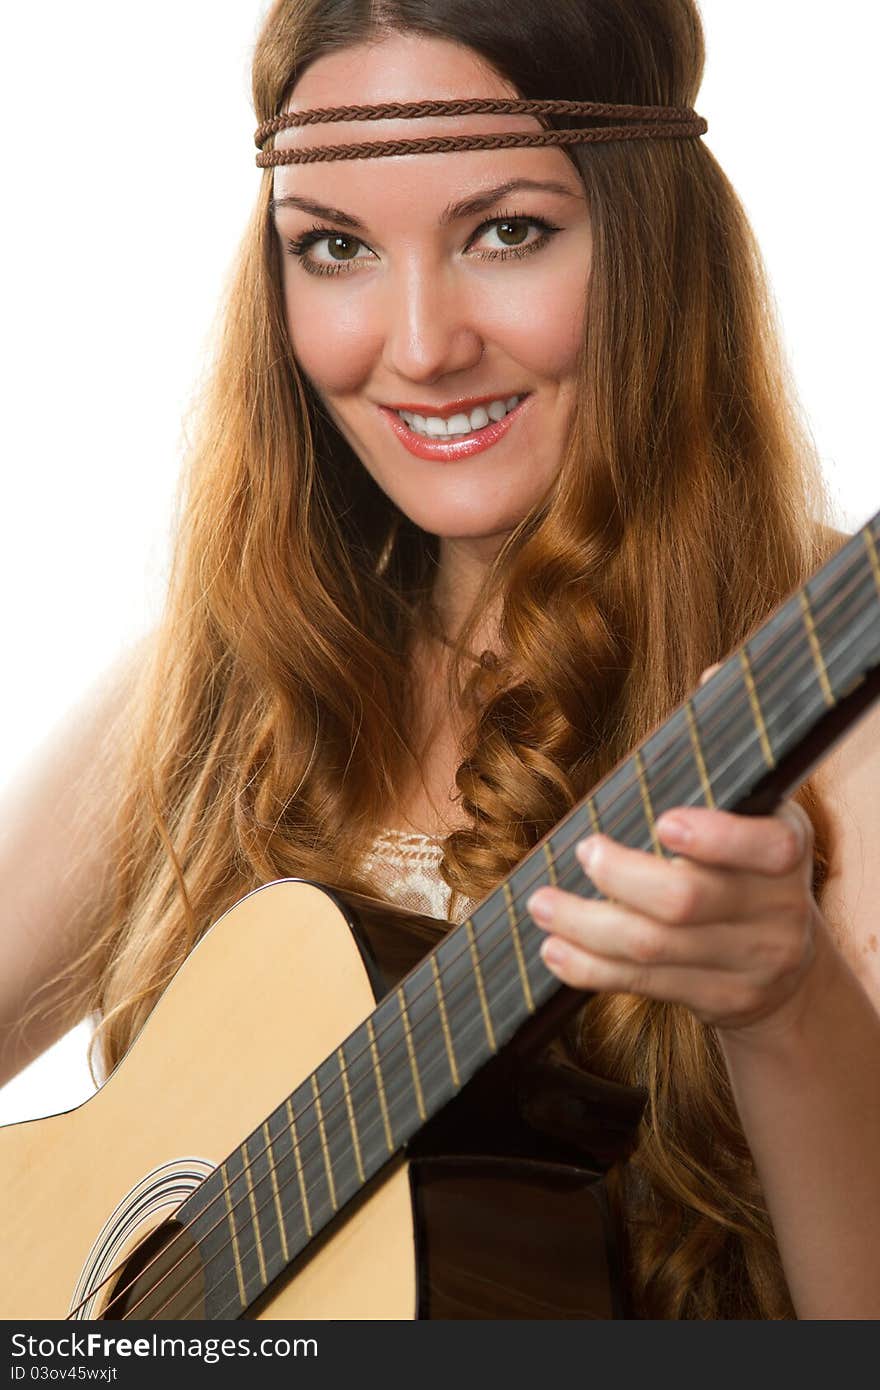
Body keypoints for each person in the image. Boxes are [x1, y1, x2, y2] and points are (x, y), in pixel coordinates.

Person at [1, 0, 879, 1320]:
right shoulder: (207, 694)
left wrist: (785, 1002)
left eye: (505, 231)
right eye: (336, 247)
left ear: (651, 245)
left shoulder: (838, 724)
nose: (416, 346)